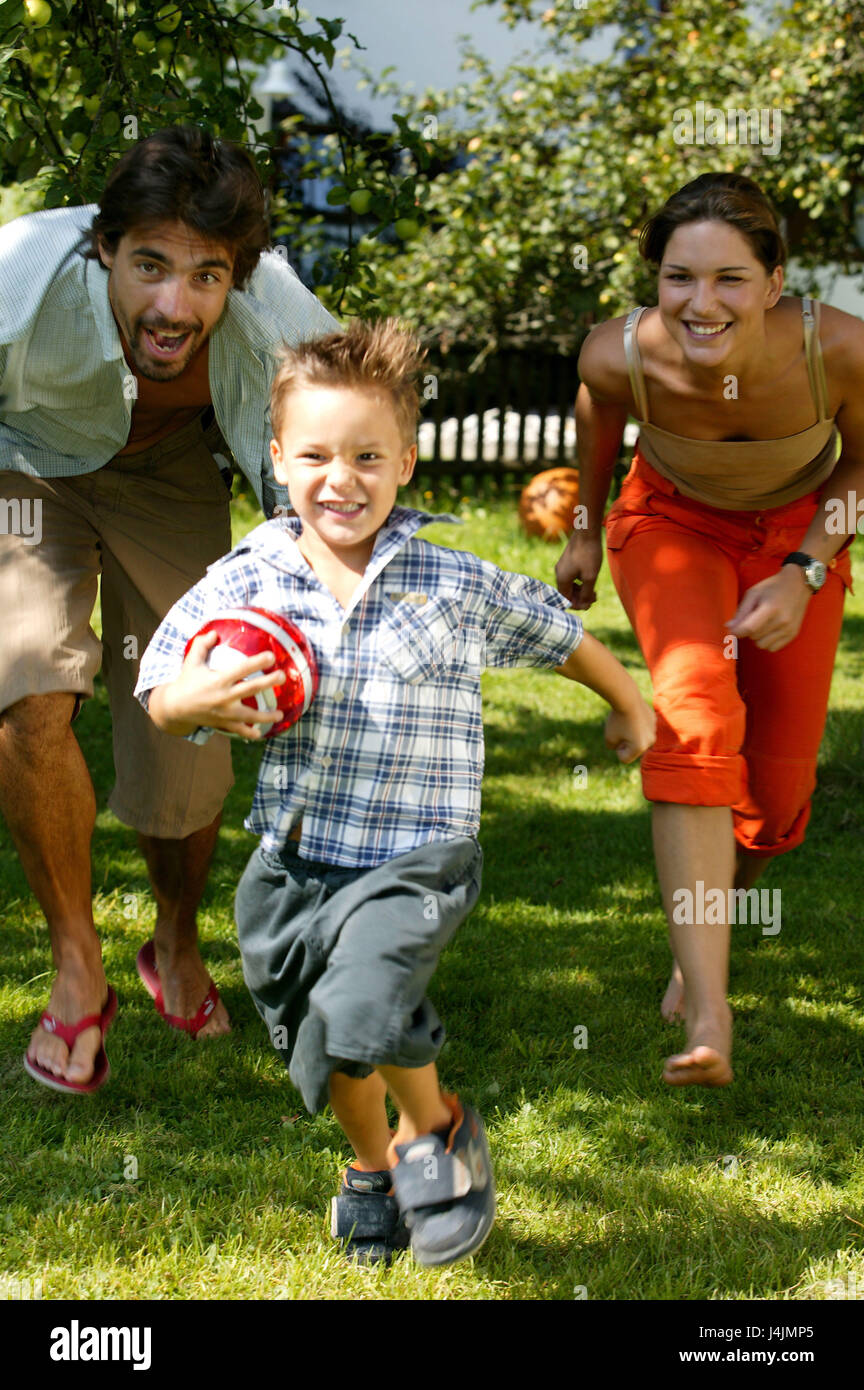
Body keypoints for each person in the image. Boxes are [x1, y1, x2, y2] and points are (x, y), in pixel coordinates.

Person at [134, 319, 656, 1266]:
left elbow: (557, 634)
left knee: (367, 1000)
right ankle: (372, 1166)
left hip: (419, 850)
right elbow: (163, 683)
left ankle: (440, 1132)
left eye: (369, 456)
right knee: (328, 1043)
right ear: (279, 457)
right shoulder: (247, 581)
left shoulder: (448, 580)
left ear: (408, 462)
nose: (344, 478)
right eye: (319, 455)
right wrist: (189, 700)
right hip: (295, 858)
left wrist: (626, 703)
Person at [0, 125, 339, 1093]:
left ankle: (176, 941)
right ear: (102, 246)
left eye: (204, 276)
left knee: (195, 722)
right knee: (29, 689)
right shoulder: (22, 268)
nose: (172, 303)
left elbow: (339, 420)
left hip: (169, 472)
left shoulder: (276, 307)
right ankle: (76, 967)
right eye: (149, 264)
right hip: (24, 467)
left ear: (240, 272)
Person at [555, 171, 864, 1088]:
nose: (702, 302)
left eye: (730, 279)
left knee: (776, 794)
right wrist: (581, 525)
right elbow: (599, 416)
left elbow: (862, 474)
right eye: (680, 277)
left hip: (799, 534)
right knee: (693, 712)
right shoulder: (617, 353)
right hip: (672, 523)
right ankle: (707, 1000)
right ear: (654, 279)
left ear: (775, 285)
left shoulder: (839, 351)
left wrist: (807, 571)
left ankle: (708, 924)